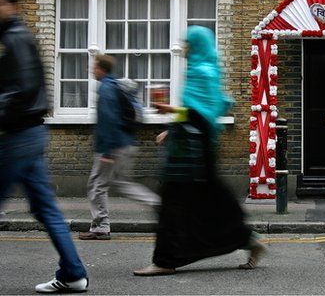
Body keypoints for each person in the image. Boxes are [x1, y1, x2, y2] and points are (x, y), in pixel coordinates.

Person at [133, 26, 266, 276]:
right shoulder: (203, 71)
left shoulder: (202, 73)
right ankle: (248, 240)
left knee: (174, 203)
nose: (183, 47)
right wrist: (172, 128)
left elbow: (197, 114)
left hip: (191, 154)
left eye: (187, 43)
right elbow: (205, 110)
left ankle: (165, 260)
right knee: (208, 202)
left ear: (196, 45)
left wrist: (170, 110)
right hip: (195, 150)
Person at [0, 0, 89, 293]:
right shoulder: (16, 37)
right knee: (45, 208)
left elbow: (22, 89)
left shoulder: (14, 38)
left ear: (12, 6)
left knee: (45, 208)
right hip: (31, 133)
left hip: (18, 136)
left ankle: (74, 272)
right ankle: (73, 273)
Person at [78, 55, 160, 240]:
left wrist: (107, 151)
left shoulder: (106, 88)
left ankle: (100, 227)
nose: (91, 70)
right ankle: (157, 204)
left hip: (113, 146)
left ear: (101, 69)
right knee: (122, 183)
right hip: (126, 143)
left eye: (94, 66)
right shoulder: (114, 86)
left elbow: (109, 120)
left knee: (97, 185)